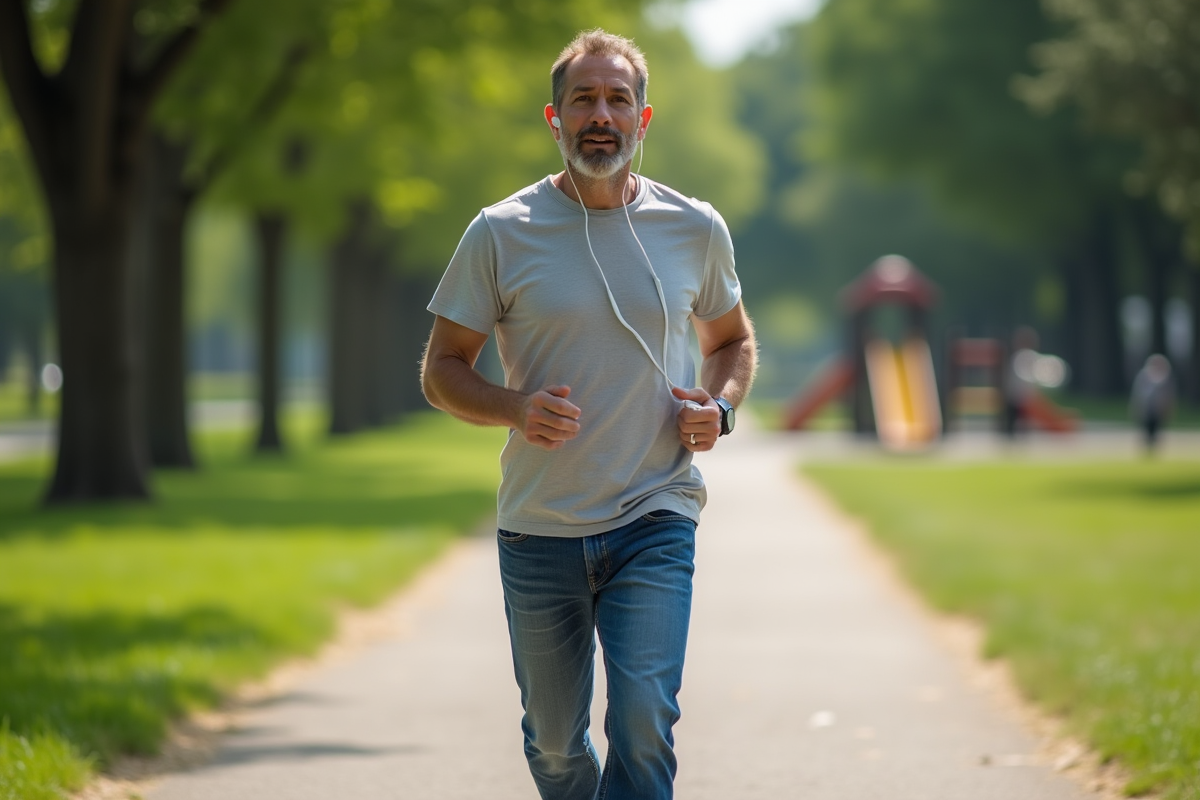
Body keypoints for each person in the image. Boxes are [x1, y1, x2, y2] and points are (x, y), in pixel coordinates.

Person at [420, 28, 757, 800]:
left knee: (643, 721)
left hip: (655, 512)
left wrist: (721, 407)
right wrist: (513, 407)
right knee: (556, 744)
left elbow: (732, 341)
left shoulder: (694, 227)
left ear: (643, 119)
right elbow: (442, 370)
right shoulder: (500, 232)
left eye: (617, 99)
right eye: (583, 99)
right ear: (554, 117)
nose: (601, 114)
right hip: (541, 526)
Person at [1130, 353, 1175, 453]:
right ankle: (1147, 449)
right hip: (1147, 408)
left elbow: (1169, 395)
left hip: (1158, 409)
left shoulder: (1165, 377)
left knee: (1156, 430)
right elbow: (1138, 394)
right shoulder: (1144, 376)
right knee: (1146, 430)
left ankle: (1153, 449)